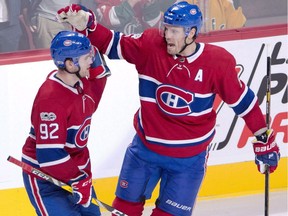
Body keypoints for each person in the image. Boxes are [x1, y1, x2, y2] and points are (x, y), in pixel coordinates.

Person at [57, 1, 280, 215]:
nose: (167, 35)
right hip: (144, 152)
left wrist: (263, 137)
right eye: (166, 28)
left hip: (188, 161)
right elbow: (113, 44)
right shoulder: (151, 45)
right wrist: (89, 25)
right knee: (123, 211)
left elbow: (244, 102)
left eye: (174, 31)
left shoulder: (217, 62)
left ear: (191, 33)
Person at [21, 30, 110, 215]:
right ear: (70, 64)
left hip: (76, 172)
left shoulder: (82, 82)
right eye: (87, 58)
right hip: (45, 177)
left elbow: (100, 74)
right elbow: (50, 155)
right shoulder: (51, 99)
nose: (91, 61)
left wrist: (86, 27)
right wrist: (77, 179)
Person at [23, 0, 97, 49]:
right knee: (48, 62)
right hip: (49, 19)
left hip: (77, 21)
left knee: (75, 62)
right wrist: (28, 17)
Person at [94, 0, 162, 34]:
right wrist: (131, 2)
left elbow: (154, 31)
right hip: (116, 50)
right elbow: (109, 19)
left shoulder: (143, 2)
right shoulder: (104, 2)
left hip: (141, 47)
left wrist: (151, 8)